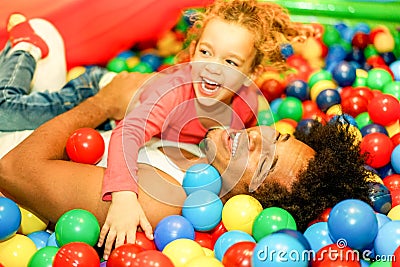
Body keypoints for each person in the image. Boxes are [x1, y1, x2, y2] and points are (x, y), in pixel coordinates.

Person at [0, 72, 371, 260]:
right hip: (54, 122)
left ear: (254, 205)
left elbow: (13, 169)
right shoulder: (207, 153)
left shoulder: (158, 203)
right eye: (276, 136)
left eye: (265, 161)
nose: (256, 137)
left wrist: (106, 102)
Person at [101, 0, 312, 256]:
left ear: (252, 74)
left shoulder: (245, 106)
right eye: (205, 52)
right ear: (192, 52)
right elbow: (128, 132)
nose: (212, 67)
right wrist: (123, 196)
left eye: (231, 62)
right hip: (100, 86)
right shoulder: (174, 92)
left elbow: (245, 164)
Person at [0, 13, 119, 131]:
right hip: (100, 96)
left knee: (39, 27)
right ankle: (26, 46)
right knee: (39, 27)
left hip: (105, 95)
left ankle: (27, 47)